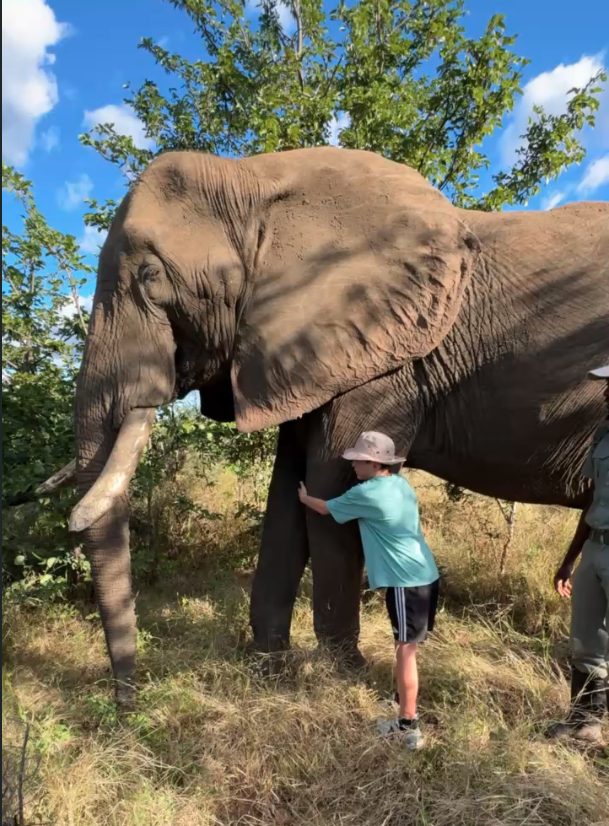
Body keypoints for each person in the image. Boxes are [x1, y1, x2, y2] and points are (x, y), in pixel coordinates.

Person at [298, 431, 439, 750]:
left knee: (406, 651)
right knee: (408, 647)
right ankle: (403, 708)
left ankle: (408, 725)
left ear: (374, 463)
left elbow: (325, 509)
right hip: (426, 574)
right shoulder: (400, 484)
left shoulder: (367, 493)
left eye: (358, 460)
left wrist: (305, 498)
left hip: (407, 581)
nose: (353, 465)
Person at [549, 364, 609, 745]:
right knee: (587, 640)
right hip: (596, 547)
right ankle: (585, 724)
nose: (604, 394)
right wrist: (570, 558)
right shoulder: (603, 436)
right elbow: (591, 500)